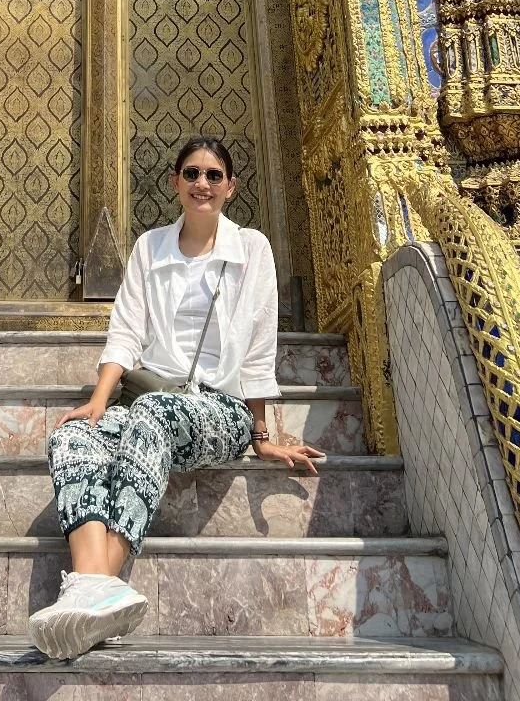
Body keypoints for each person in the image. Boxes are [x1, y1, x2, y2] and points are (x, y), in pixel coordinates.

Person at [27, 136, 324, 660]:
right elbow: (125, 331)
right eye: (191, 174)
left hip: (220, 409)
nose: (201, 184)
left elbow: (259, 349)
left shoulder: (251, 248)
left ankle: (93, 580)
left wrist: (261, 437)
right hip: (154, 397)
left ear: (230, 187)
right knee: (75, 436)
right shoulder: (151, 247)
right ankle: (99, 589)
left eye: (213, 175)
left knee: (153, 414)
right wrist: (98, 400)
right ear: (175, 184)